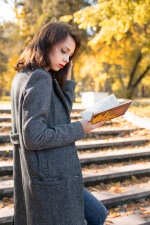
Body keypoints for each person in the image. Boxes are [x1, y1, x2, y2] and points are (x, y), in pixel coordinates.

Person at [10, 21, 108, 225]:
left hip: (51, 175)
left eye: (70, 55)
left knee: (98, 214)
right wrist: (81, 128)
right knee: (97, 216)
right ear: (47, 42)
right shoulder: (40, 78)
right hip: (51, 177)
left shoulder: (24, 75)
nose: (66, 59)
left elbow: (59, 114)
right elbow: (34, 137)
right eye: (63, 51)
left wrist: (68, 81)